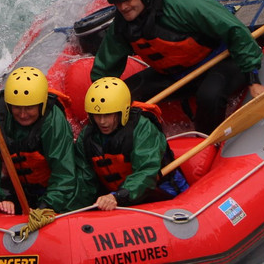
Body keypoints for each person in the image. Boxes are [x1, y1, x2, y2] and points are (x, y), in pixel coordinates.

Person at [90, 0, 264, 134]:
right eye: (118, 3)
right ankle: (140, 140)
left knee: (209, 96)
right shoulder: (123, 23)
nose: (123, 7)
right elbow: (105, 66)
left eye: (127, 0)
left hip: (220, 60)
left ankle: (206, 141)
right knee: (125, 97)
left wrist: (253, 78)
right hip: (174, 74)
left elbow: (235, 31)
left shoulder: (184, 2)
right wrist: (102, 102)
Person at [0, 66, 85, 215]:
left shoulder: (53, 122)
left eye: (29, 108)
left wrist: (45, 208)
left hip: (51, 192)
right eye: (17, 107)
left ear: (41, 104)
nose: (23, 114)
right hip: (17, 189)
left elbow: (64, 174)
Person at [74, 77, 188, 210]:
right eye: (96, 115)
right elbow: (85, 180)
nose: (102, 122)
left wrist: (118, 196)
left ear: (123, 112)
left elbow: (146, 172)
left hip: (162, 192)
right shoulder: (87, 137)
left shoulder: (143, 129)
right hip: (119, 198)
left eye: (108, 115)